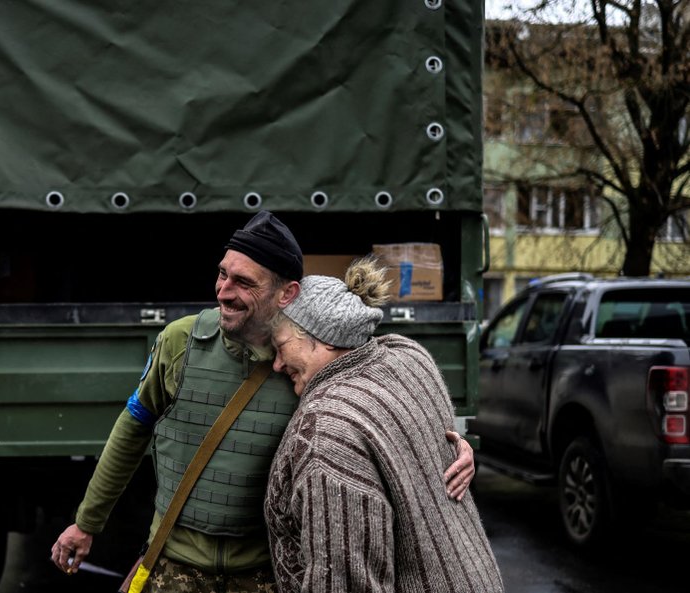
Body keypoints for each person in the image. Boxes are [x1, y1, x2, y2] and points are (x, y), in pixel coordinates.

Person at [51, 211, 475, 592]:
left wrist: (452, 447)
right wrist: (87, 522)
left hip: (268, 574)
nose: (223, 291)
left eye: (243, 282)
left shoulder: (311, 357)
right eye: (222, 274)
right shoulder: (181, 342)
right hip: (174, 564)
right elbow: (133, 428)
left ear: (286, 293)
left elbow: (389, 403)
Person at [263, 256, 503, 593]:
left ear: (326, 337)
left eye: (281, 347)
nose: (276, 364)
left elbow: (346, 582)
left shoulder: (327, 431)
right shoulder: (409, 356)